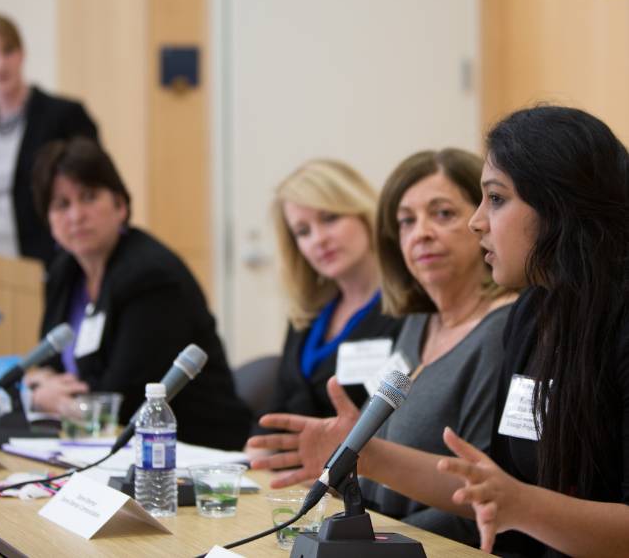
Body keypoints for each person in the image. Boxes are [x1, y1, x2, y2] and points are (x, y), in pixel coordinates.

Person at [249, 106, 629, 557]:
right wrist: (367, 455)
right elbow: (488, 486)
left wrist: (523, 505)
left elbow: (516, 500)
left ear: (559, 204)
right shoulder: (536, 312)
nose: (477, 221)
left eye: (497, 199)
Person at [253, 149, 515, 546]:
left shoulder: (503, 331)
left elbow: (484, 493)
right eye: (407, 221)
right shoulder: (417, 324)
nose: (421, 233)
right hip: (378, 532)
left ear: (482, 221)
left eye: (442, 214)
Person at [26, 137, 252, 451]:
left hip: (194, 449)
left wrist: (50, 400)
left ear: (120, 204)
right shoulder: (64, 272)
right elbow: (48, 365)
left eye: (88, 197)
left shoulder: (150, 276)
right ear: (49, 221)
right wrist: (39, 388)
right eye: (62, 204)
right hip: (105, 446)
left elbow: (123, 400)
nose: (76, 215)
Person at [262, 159, 400, 422]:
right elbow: (277, 407)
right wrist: (253, 451)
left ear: (364, 214)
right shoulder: (306, 313)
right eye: (303, 232)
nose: (318, 239)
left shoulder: (406, 310)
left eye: (330, 218)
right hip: (286, 461)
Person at [0, 13, 99, 266]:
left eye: (8, 51)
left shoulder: (62, 116)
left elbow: (94, 188)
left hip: (50, 265)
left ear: (22, 53)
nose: (0, 64)